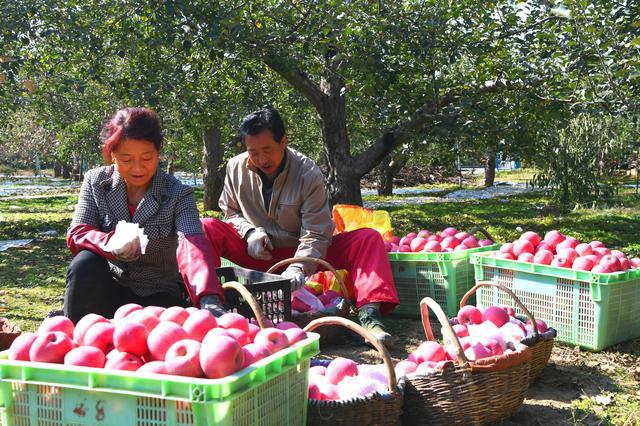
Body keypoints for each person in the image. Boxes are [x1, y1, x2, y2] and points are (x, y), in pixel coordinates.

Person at [201, 106, 399, 347]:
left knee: (368, 239)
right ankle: (210, 306)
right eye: (253, 152)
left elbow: (316, 232)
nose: (262, 159)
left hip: (302, 255)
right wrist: (250, 232)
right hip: (257, 252)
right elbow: (230, 212)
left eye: (267, 150)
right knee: (204, 228)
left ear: (283, 141)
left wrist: (298, 267)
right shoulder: (235, 168)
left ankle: (370, 317)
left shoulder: (307, 173)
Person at [64, 107, 226, 323]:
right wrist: (110, 242)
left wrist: (209, 297)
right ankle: (76, 338)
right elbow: (78, 232)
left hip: (156, 295)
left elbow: (192, 245)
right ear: (112, 155)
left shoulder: (178, 193)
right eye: (127, 159)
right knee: (84, 263)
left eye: (147, 158)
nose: (138, 168)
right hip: (108, 288)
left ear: (158, 153)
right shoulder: (96, 182)